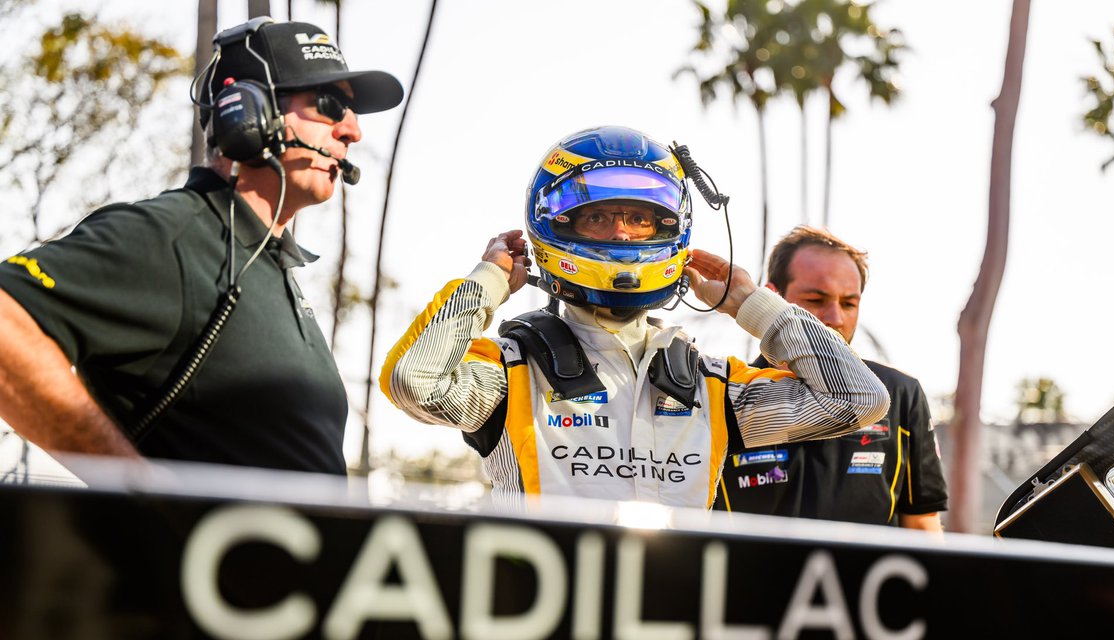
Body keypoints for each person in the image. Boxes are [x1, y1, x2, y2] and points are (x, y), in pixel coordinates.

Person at [378, 126, 889, 506]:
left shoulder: (711, 383)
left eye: (639, 219)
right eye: (598, 217)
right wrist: (486, 283)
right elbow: (412, 382)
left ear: (669, 228)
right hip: (541, 637)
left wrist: (752, 305)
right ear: (557, 225)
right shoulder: (514, 371)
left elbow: (861, 400)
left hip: (668, 636)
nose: (621, 235)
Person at [0, 19, 404, 474]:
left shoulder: (265, 262)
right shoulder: (172, 235)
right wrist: (133, 489)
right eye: (330, 105)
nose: (353, 131)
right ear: (245, 112)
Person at [717, 226, 948, 530]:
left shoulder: (900, 394)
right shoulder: (728, 394)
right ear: (772, 298)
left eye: (849, 303)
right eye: (816, 299)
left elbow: (922, 523)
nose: (836, 318)